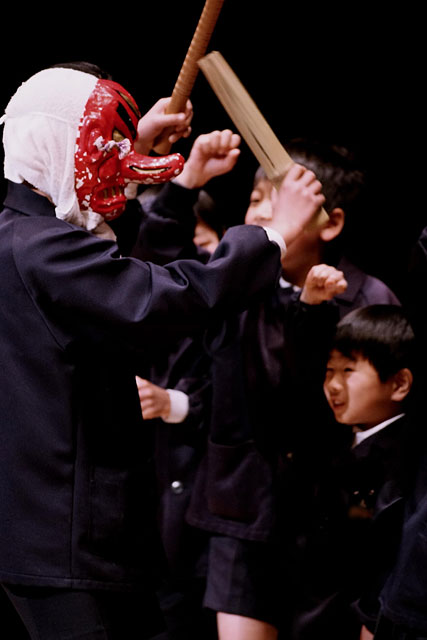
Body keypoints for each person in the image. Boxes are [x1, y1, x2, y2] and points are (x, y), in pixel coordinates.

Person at [0, 63, 324, 639]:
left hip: (73, 535)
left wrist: (149, 155)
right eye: (102, 146)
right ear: (55, 143)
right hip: (66, 538)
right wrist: (275, 232)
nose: (114, 162)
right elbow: (166, 296)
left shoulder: (27, 238)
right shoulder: (40, 249)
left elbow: (108, 237)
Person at [284, 285, 416, 640]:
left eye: (348, 370)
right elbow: (300, 375)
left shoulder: (403, 461)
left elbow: (385, 566)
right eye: (329, 370)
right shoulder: (340, 440)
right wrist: (310, 307)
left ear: (399, 383)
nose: (333, 384)